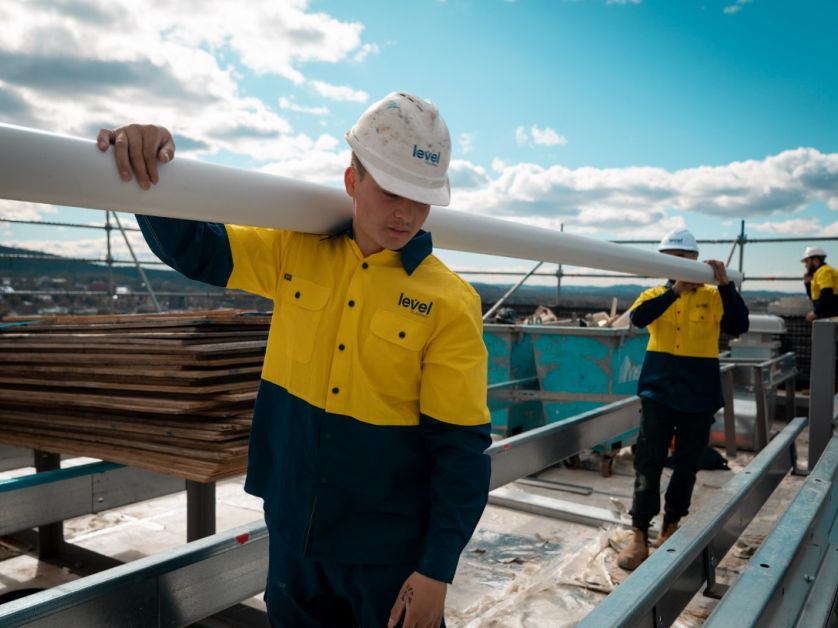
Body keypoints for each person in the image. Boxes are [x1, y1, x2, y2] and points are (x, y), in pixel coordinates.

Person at [97, 92, 492, 627]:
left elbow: (461, 452)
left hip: (388, 556)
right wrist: (148, 169)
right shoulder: (296, 252)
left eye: (420, 197)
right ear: (353, 181)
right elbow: (198, 249)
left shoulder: (449, 302)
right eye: (392, 190)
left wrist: (437, 571)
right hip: (292, 538)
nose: (405, 213)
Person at [617, 228, 749, 571]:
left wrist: (725, 286)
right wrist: (675, 292)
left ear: (695, 260)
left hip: (698, 390)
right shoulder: (652, 294)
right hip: (659, 389)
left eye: (684, 259)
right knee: (648, 461)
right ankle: (639, 534)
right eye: (670, 260)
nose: (677, 265)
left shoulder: (714, 296)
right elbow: (637, 319)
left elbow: (739, 323)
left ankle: (671, 525)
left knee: (687, 464)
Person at [801, 246, 838, 322]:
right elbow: (814, 298)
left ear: (815, 260)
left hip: (831, 313)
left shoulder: (824, 271)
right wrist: (807, 284)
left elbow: (826, 292)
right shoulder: (819, 273)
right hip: (829, 313)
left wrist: (816, 312)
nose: (805, 265)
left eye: (807, 261)